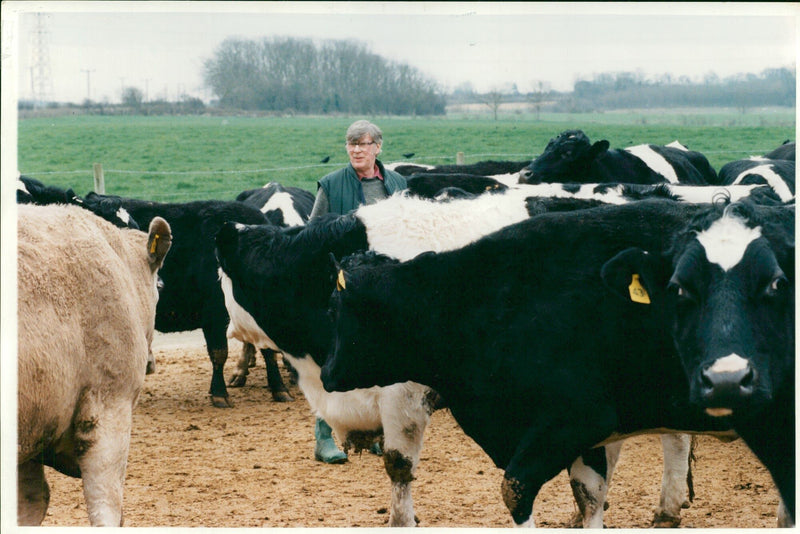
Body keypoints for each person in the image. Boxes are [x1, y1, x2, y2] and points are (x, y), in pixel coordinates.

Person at [309, 119, 407, 463]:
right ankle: (324, 437)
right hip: (343, 288)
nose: (355, 150)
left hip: (383, 287)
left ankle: (377, 433)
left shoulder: (397, 183)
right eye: (351, 144)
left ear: (377, 147)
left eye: (363, 144)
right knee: (332, 360)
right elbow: (314, 234)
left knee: (379, 361)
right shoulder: (332, 185)